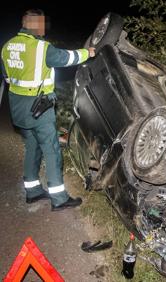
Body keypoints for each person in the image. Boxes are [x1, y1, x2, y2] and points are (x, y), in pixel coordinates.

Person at [1, 9, 95, 211]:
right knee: (52, 151)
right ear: (33, 24)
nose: (44, 27)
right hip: (39, 108)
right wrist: (89, 53)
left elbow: (8, 79)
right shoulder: (42, 48)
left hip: (17, 107)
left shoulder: (7, 47)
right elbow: (66, 58)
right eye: (41, 23)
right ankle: (59, 198)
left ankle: (33, 192)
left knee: (32, 147)